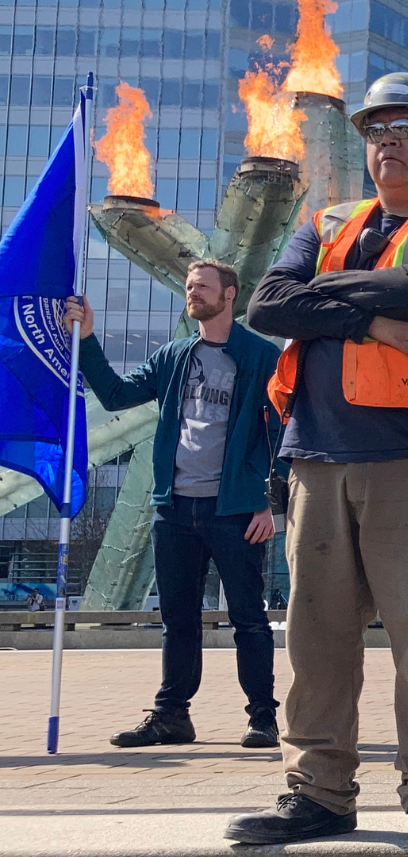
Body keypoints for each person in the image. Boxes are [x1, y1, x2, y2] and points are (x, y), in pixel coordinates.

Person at [227, 72, 408, 846]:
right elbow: (267, 303)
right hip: (317, 458)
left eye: (406, 128)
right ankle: (317, 792)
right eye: (377, 130)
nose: (387, 143)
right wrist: (370, 324)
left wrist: (324, 296)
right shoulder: (328, 219)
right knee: (315, 641)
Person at [65, 260, 282, 749]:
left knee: (248, 618)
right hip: (175, 509)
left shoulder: (260, 356)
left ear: (230, 294)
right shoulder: (173, 356)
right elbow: (116, 395)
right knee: (177, 620)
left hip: (235, 510)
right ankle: (171, 716)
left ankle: (263, 718)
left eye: (202, 286)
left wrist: (267, 502)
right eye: (189, 286)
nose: (192, 292)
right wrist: (88, 338)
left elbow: (284, 431)